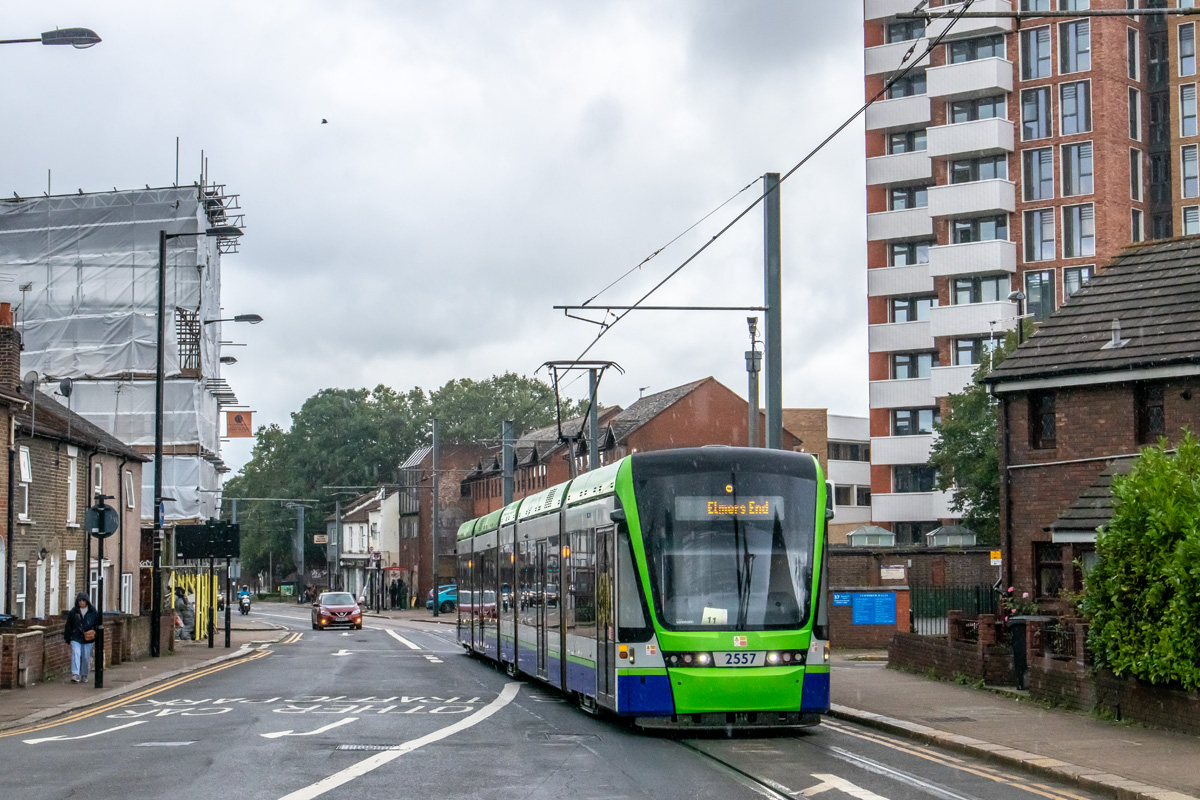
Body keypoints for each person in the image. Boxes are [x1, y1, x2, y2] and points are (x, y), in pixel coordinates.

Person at [63, 592, 99, 683]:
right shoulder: (74, 612)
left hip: (88, 638)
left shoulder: (92, 611)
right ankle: (75, 674)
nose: (81, 602)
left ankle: (84, 674)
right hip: (76, 636)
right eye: (79, 600)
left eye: (83, 600)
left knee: (86, 657)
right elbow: (68, 625)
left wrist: (95, 634)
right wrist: (68, 637)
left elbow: (97, 624)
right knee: (76, 653)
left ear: (87, 601)